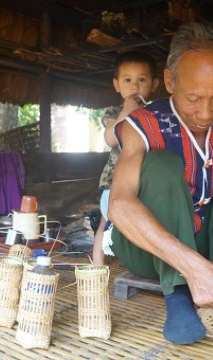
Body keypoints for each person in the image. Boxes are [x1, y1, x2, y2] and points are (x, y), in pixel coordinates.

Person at [105, 22, 213, 352]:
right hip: (147, 247)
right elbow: (119, 205)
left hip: (209, 246)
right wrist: (193, 268)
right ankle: (179, 294)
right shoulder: (142, 124)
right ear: (170, 82)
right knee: (160, 163)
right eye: (194, 98)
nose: (206, 112)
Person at [92, 51, 159, 266]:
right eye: (127, 80)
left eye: (142, 79)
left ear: (154, 84)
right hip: (116, 181)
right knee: (106, 221)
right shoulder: (114, 112)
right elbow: (110, 138)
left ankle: (141, 262)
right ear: (117, 85)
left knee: (144, 220)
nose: (135, 86)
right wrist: (127, 112)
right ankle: (97, 265)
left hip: (146, 181)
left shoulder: (157, 114)